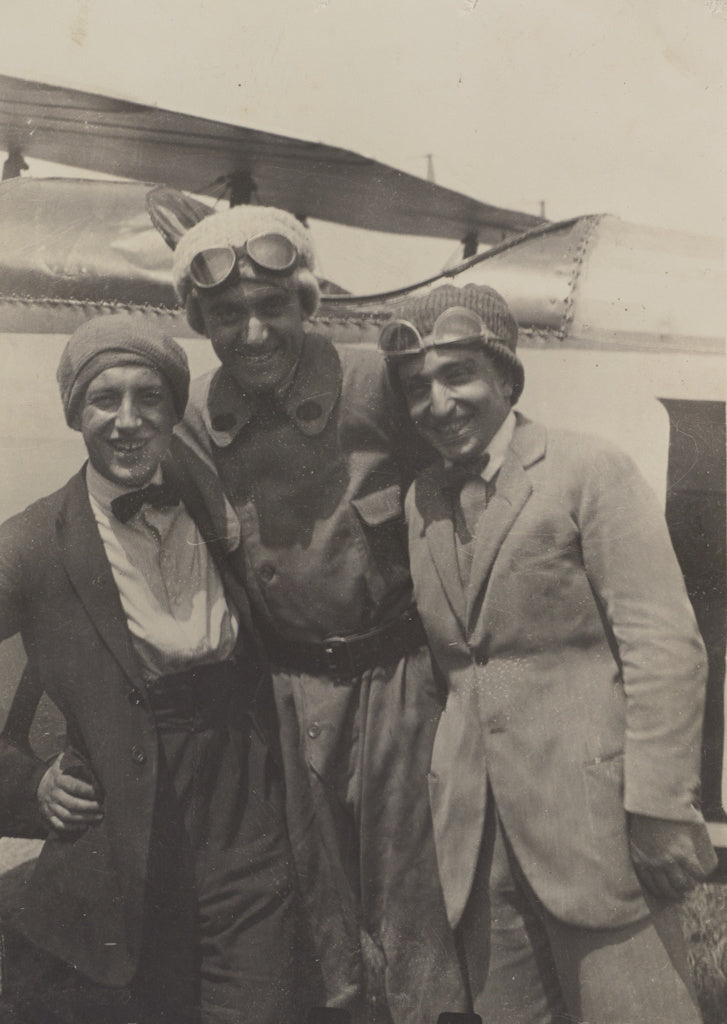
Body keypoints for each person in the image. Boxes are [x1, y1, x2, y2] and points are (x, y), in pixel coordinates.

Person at [378, 283, 717, 1024]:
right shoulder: (420, 500)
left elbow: (663, 644)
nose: (438, 402)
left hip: (594, 829)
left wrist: (657, 807)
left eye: (458, 375)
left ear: (505, 376)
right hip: (475, 836)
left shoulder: (586, 471)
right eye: (416, 387)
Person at [166, 205, 466, 1022]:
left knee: (420, 912)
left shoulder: (375, 380)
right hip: (287, 693)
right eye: (227, 314)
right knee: (311, 924)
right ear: (201, 322)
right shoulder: (188, 420)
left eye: (273, 305)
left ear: (307, 301)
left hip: (398, 683)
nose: (254, 332)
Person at [0, 315, 310, 1024]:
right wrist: (23, 783)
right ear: (75, 412)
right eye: (105, 400)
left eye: (150, 398)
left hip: (244, 806)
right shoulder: (31, 543)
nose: (128, 421)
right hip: (124, 828)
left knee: (259, 1000)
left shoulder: (215, 502)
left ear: (176, 410)